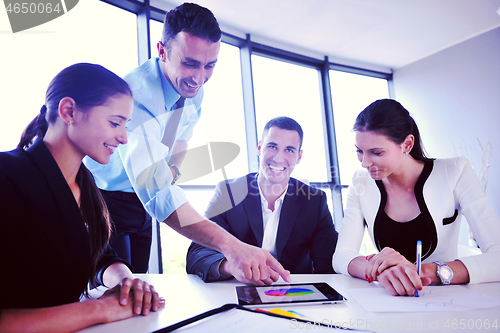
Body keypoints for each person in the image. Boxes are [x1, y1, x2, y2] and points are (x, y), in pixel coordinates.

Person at [83, 3, 290, 282]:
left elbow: (182, 137)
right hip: (101, 198)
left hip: (140, 203)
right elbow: (157, 193)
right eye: (189, 63)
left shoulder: (193, 89)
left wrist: (173, 171)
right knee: (116, 289)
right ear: (162, 51)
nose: (199, 78)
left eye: (209, 66)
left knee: (142, 284)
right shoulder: (136, 99)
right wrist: (232, 247)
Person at [0, 63, 164, 332]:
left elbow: (98, 254)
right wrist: (100, 308)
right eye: (115, 123)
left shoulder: (86, 185)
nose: (123, 137)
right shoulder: (7, 176)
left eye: (125, 125)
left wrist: (125, 282)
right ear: (69, 111)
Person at [332, 99, 500, 296]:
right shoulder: (360, 182)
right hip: (388, 302)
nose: (365, 163)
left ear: (407, 144)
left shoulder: (456, 171)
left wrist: (422, 271)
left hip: (445, 301)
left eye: (376, 152)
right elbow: (341, 256)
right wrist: (381, 270)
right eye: (359, 151)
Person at [187, 117, 338, 285]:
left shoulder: (315, 201)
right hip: (237, 291)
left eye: (289, 150)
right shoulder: (228, 192)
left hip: (295, 294)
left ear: (299, 156)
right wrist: (231, 266)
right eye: (272, 147)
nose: (279, 158)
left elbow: (330, 264)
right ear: (259, 148)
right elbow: (197, 253)